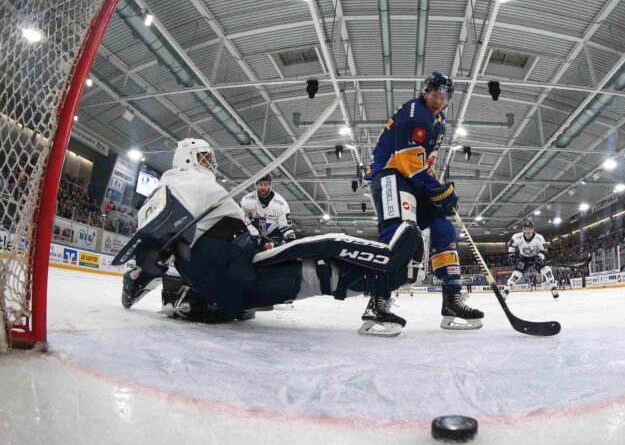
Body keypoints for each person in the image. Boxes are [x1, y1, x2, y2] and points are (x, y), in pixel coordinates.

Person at [118, 138, 424, 337]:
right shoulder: (192, 182)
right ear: (186, 158)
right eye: (203, 157)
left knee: (317, 274)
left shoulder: (160, 194)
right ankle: (392, 260)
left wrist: (136, 279)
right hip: (240, 267)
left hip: (229, 291)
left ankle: (383, 283)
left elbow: (153, 251)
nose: (209, 164)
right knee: (328, 245)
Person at [365, 72, 484, 331]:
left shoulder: (438, 121)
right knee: (397, 232)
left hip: (412, 179)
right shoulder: (415, 113)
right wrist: (437, 190)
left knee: (444, 228)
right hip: (390, 174)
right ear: (425, 92)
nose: (438, 100)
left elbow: (422, 164)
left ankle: (452, 298)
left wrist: (438, 193)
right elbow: (407, 160)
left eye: (442, 97)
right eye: (434, 95)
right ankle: (377, 301)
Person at [502, 219, 559, 299]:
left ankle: (553, 287)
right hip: (523, 258)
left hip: (535, 257)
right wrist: (511, 255)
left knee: (546, 270)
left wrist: (540, 257)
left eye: (530, 228)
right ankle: (506, 290)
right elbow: (511, 246)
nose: (528, 230)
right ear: (523, 229)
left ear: (533, 229)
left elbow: (544, 251)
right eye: (526, 228)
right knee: (516, 274)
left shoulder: (539, 238)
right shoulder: (517, 237)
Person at [240, 174, 295, 246]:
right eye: (260, 184)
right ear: (256, 185)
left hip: (273, 234)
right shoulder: (247, 200)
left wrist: (291, 240)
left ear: (270, 185)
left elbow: (285, 226)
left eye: (265, 184)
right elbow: (239, 215)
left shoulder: (281, 204)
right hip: (252, 234)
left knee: (272, 249)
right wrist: (250, 226)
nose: (262, 187)